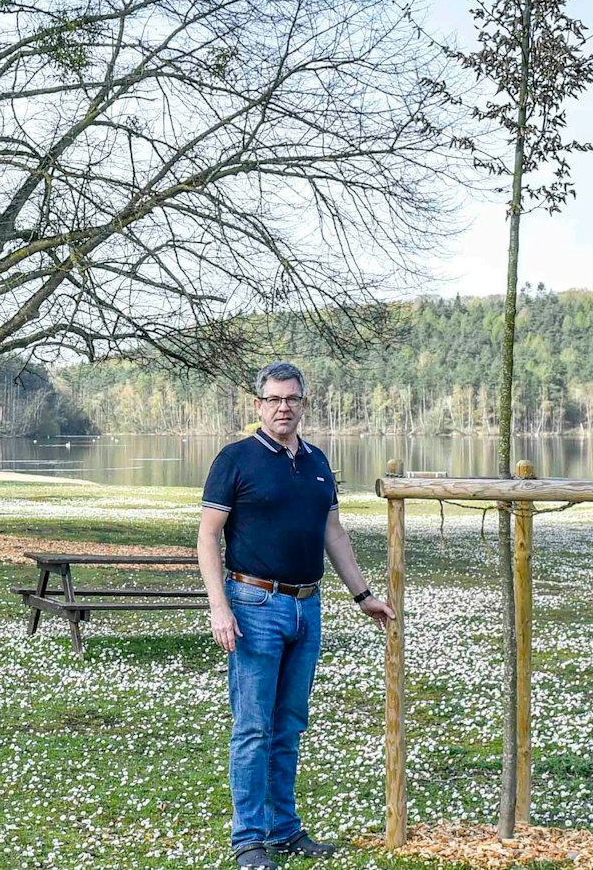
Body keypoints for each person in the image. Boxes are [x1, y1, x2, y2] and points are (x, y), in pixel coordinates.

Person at [198, 362, 395, 867]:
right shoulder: (235, 459)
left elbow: (334, 533)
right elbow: (207, 536)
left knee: (289, 724)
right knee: (253, 728)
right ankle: (249, 840)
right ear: (258, 405)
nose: (283, 407)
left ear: (304, 404)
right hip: (253, 605)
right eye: (274, 399)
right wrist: (219, 608)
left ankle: (284, 828)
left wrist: (363, 595)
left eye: (292, 399)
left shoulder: (318, 463)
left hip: (308, 608)